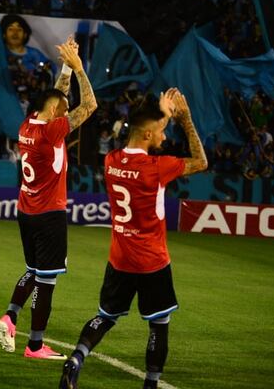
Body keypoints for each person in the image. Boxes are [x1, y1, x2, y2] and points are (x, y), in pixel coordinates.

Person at [60, 89, 208, 389]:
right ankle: (151, 383)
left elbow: (144, 132)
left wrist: (164, 115)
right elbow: (201, 161)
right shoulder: (157, 168)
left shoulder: (111, 161)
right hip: (152, 261)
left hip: (120, 258)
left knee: (106, 316)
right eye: (160, 135)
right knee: (159, 324)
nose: (164, 139)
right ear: (148, 135)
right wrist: (185, 117)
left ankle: (76, 358)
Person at [0, 37, 97, 359]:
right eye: (63, 111)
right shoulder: (52, 131)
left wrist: (66, 65)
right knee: (47, 280)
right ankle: (35, 344)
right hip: (49, 214)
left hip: (26, 211)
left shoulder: (28, 125)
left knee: (32, 269)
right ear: (55, 112)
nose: (66, 115)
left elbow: (58, 96)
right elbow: (90, 106)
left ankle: (10, 315)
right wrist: (80, 69)